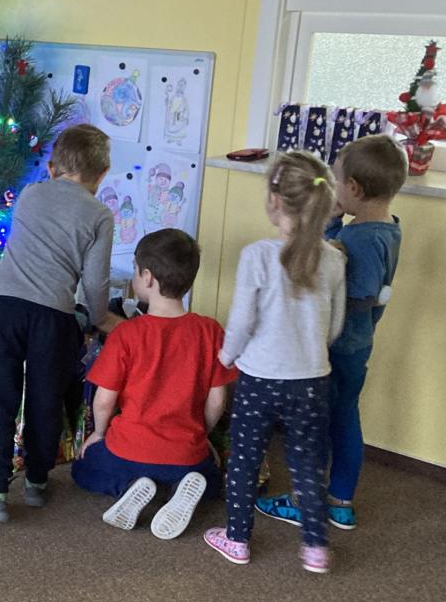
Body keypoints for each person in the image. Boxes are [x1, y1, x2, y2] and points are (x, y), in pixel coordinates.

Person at [204, 151, 346, 574]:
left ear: (275, 201)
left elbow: (242, 320)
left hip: (259, 379)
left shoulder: (257, 255)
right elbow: (335, 327)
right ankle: (316, 548)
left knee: (245, 459)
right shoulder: (335, 260)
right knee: (307, 462)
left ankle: (237, 539)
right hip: (311, 380)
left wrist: (226, 356)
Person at [255, 135, 405, 532]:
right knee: (345, 418)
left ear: (353, 187)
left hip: (336, 347)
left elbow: (349, 286)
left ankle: (305, 501)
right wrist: (337, 221)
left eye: (336, 180)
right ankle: (340, 502)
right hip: (359, 345)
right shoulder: (389, 229)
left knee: (317, 425)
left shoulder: (358, 239)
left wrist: (333, 235)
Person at [0, 124, 121, 524]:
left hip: (3, 309)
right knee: (46, 399)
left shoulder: (30, 194)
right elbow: (95, 282)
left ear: (53, 167)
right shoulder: (100, 215)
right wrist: (100, 318)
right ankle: (36, 483)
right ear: (102, 175)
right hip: (53, 317)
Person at [71, 229, 237, 539]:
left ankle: (131, 486)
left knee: (84, 468)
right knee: (211, 479)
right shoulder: (210, 331)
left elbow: (104, 400)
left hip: (128, 451)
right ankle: (178, 489)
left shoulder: (126, 334)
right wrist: (202, 437)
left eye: (135, 270)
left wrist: (99, 433)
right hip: (186, 455)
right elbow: (217, 401)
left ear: (147, 277)